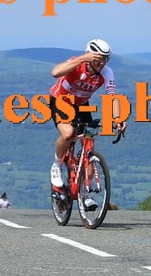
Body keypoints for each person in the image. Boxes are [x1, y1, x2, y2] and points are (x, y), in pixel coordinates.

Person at [49, 40, 125, 201]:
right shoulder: (76, 63)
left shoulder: (106, 72)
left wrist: (118, 118)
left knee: (89, 144)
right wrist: (82, 58)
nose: (102, 63)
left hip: (82, 105)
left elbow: (112, 97)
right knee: (68, 134)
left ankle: (85, 193)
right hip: (61, 101)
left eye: (105, 59)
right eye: (98, 59)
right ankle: (56, 165)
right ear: (90, 56)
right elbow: (55, 72)